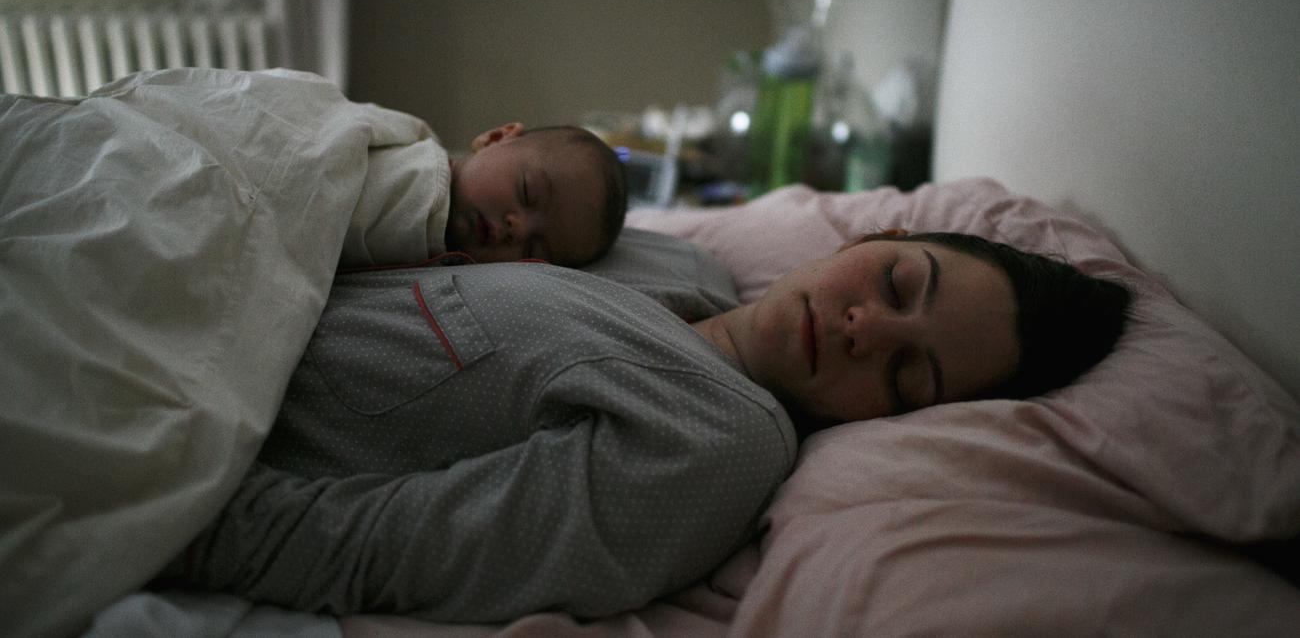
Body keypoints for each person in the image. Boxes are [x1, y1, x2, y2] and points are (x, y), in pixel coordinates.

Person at [161, 228, 1129, 622]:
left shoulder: (719, 441)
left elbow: (388, 547)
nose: (864, 328)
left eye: (906, 374)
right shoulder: (678, 264)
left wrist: (158, 504)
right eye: (896, 280)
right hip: (191, 280)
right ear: (869, 238)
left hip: (170, 427)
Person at [355, 120, 627, 269]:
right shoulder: (412, 173)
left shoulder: (446, 267)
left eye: (533, 249)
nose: (518, 229)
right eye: (526, 192)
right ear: (496, 138)